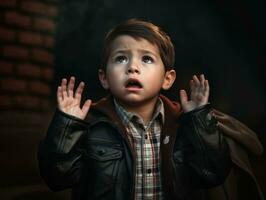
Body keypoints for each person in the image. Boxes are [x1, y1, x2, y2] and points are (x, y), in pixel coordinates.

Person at [38, 19, 233, 200]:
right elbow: (57, 179)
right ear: (104, 78)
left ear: (167, 79)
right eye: (121, 58)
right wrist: (67, 124)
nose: (132, 67)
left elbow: (213, 174)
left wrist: (199, 119)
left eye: (146, 59)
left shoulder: (184, 123)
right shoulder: (90, 124)